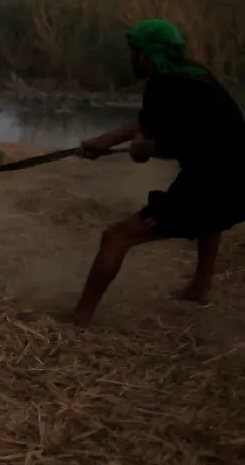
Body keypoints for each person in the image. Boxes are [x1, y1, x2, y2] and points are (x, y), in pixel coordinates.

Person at [72, 18, 245, 326]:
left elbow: (162, 144)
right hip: (237, 176)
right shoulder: (195, 74)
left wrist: (142, 150)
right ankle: (199, 287)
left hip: (215, 180)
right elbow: (152, 125)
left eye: (134, 51)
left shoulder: (162, 84)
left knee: (115, 238)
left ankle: (81, 316)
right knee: (212, 217)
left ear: (144, 54)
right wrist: (105, 141)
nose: (133, 57)